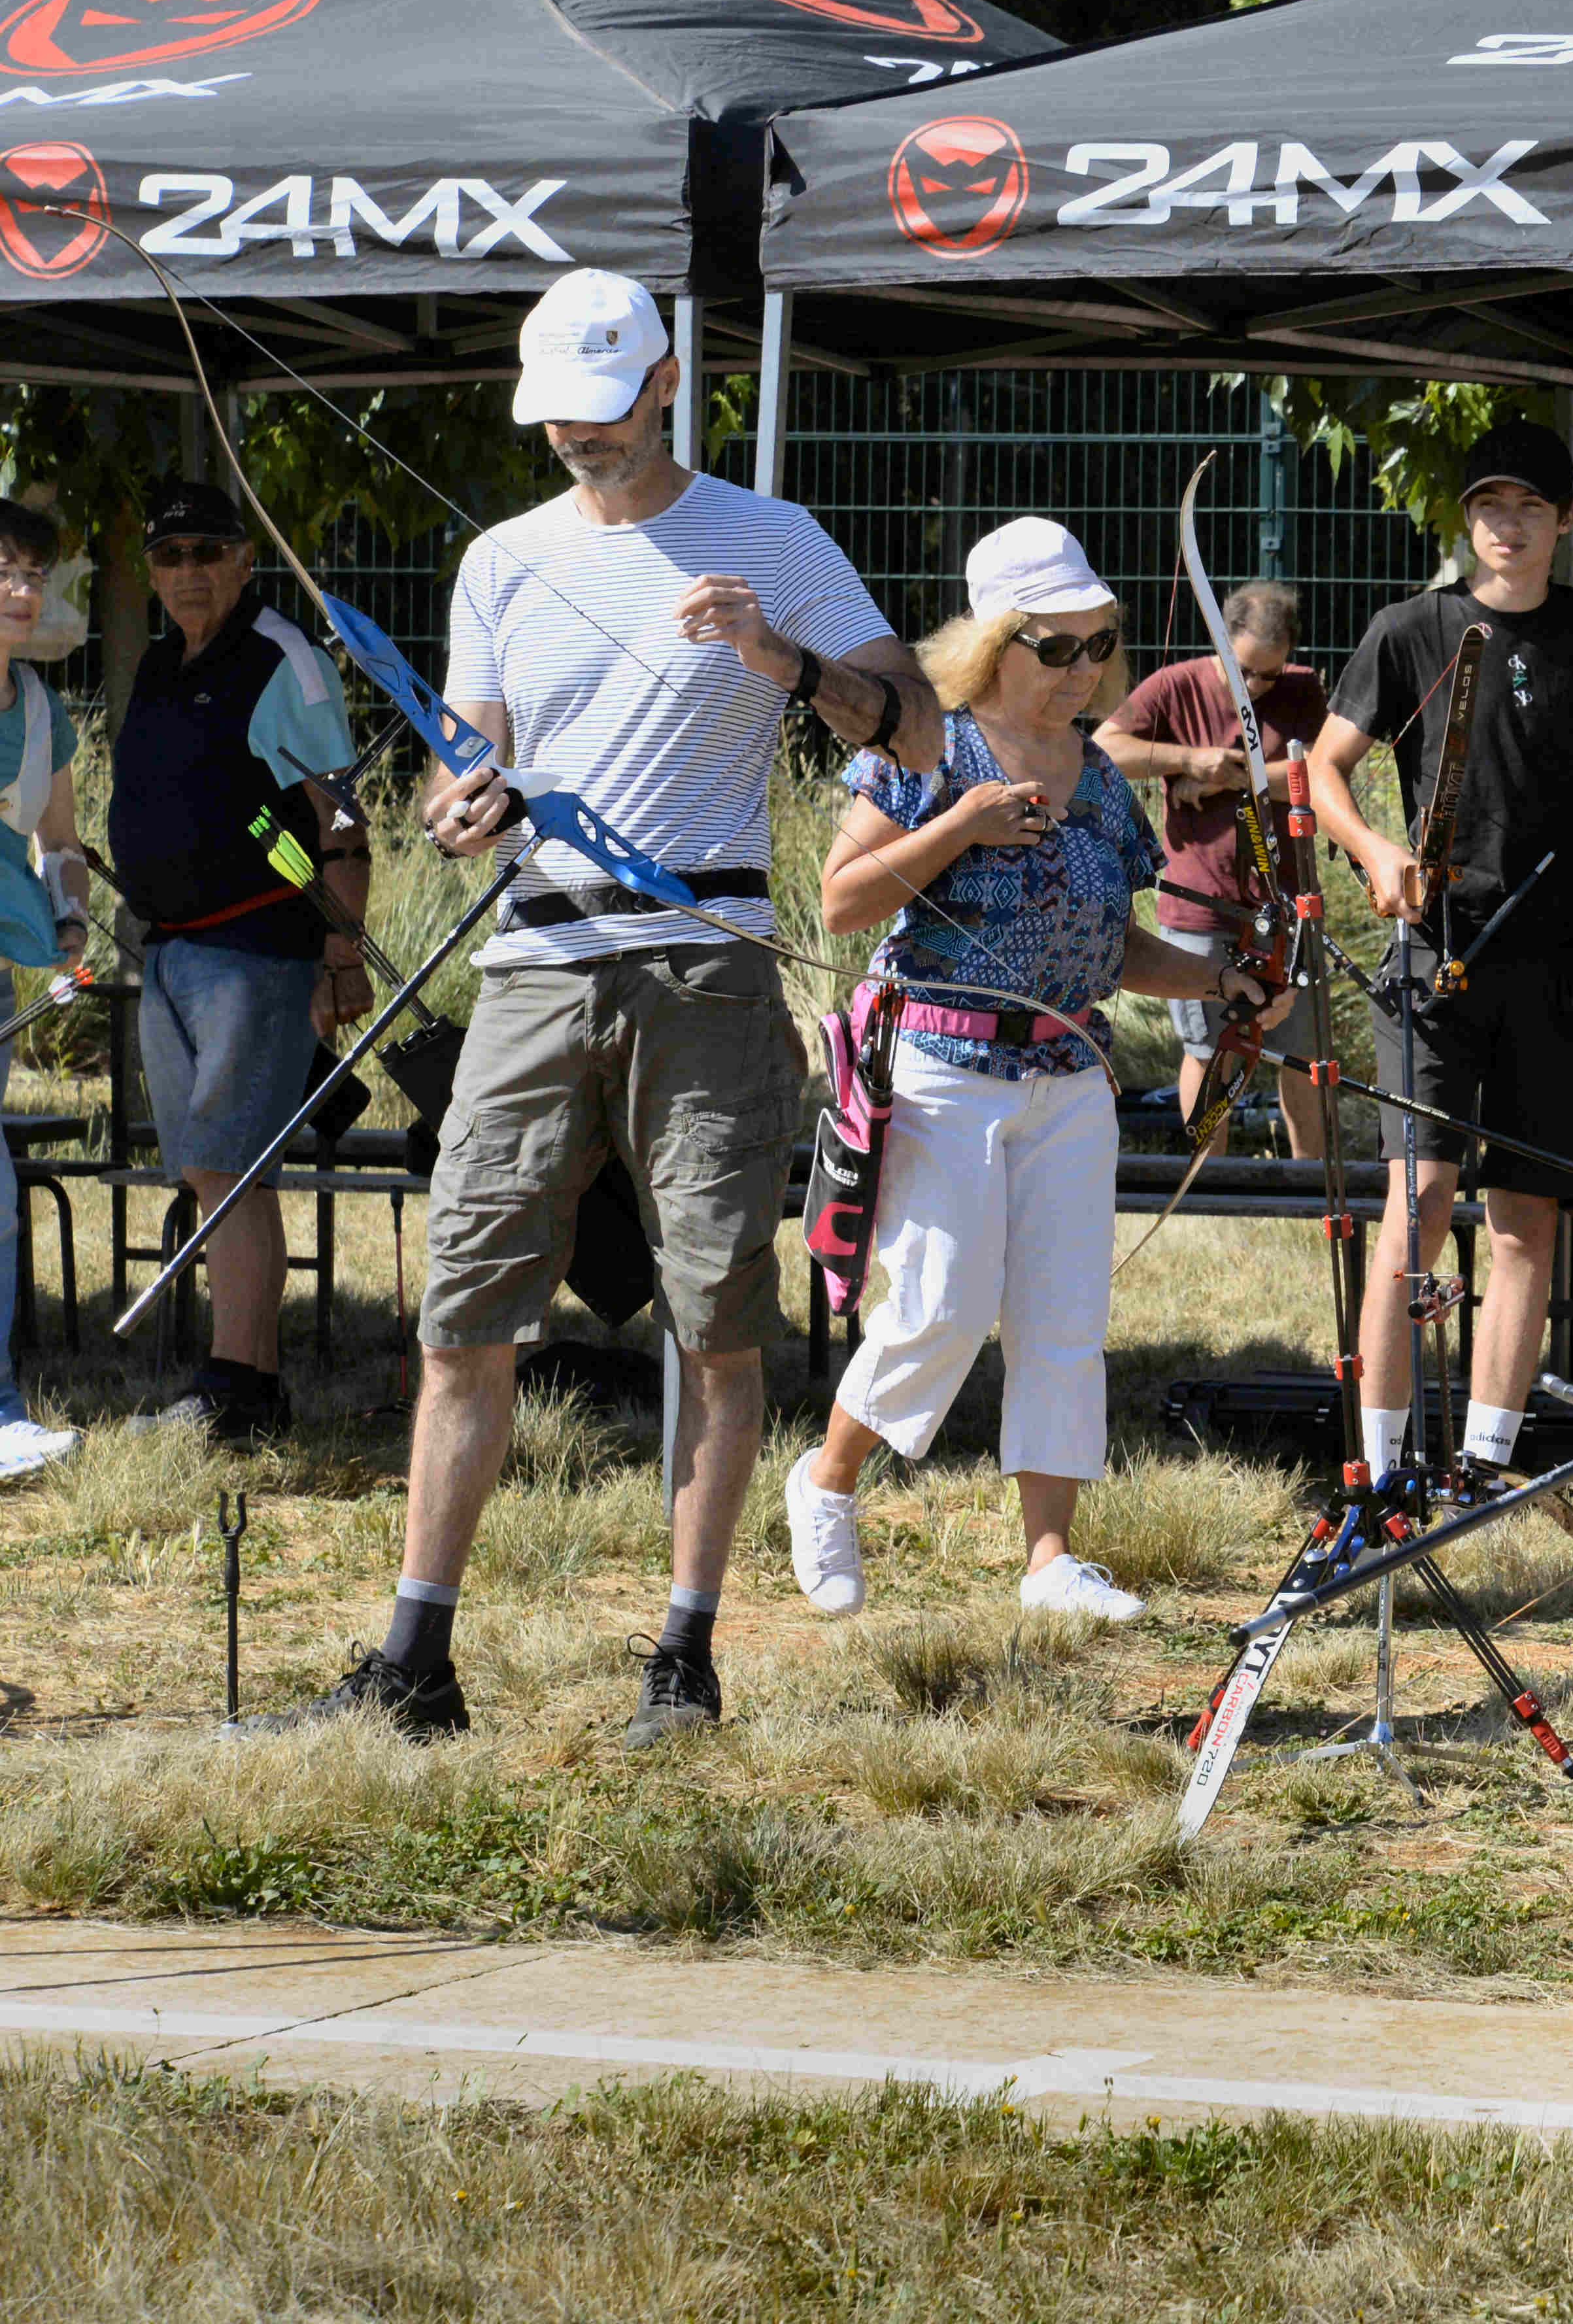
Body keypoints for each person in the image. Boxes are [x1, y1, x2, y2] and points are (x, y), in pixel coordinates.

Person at [254, 266, 939, 1747]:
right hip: (533, 964)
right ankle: (415, 1662)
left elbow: (919, 725)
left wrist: (782, 659)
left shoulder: (773, 539)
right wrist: (456, 808)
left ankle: (683, 1660)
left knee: (715, 1320)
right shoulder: (502, 559)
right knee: (462, 1311)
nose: (579, 435)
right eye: (557, 414)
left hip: (704, 967)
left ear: (667, 381)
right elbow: (464, 762)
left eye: (605, 407)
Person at [785, 521, 1265, 1625]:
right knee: (941, 1307)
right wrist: (960, 825)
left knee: (1063, 1318)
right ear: (993, 645)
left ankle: (1051, 1560)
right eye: (1055, 647)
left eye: (1098, 644)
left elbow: (1114, 943)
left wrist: (1219, 979)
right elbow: (842, 901)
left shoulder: (1097, 774)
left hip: (1071, 1075)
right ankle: (827, 1480)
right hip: (945, 1065)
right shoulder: (927, 752)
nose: (1082, 668)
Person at [1301, 420, 1573, 1478]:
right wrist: (1376, 850)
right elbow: (1325, 770)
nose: (1506, 526)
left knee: (1526, 1219)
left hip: (1564, 965)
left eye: (1529, 507)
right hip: (1434, 954)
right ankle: (1383, 1468)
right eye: (1488, 506)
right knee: (1418, 1202)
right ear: (1466, 519)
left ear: (1566, 521)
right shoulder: (1409, 630)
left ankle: (1484, 1464)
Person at [103, 477, 367, 1442]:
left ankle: (237, 1386)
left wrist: (341, 949)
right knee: (214, 1174)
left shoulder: (282, 656)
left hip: (260, 949)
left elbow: (339, 815)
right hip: (171, 949)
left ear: (245, 560)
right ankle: (245, 1386)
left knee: (230, 1167)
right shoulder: (159, 660)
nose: (188, 572)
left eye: (207, 552)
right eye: (169, 556)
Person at [1092, 578, 1328, 1159]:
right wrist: (1187, 760)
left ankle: (1312, 1185)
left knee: (1303, 1056)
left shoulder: (1302, 690)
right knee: (1209, 1051)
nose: (1256, 687)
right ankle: (1207, 1182)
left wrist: (1234, 775)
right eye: (1243, 671)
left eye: (1269, 675)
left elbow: (1324, 774)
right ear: (1221, 641)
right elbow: (1106, 748)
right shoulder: (1176, 685)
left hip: (1288, 904)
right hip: (1203, 908)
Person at [0, 500, 92, 1484]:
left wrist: (68, 921)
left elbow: (59, 843)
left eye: (32, 572)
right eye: (4, 570)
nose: (22, 590)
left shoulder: (39, 710)